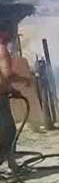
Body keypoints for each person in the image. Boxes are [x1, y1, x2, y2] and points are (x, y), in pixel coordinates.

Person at [0, 28, 22, 170]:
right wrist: (25, 79)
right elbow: (7, 75)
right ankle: (11, 165)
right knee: (9, 132)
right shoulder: (1, 50)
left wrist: (12, 90)